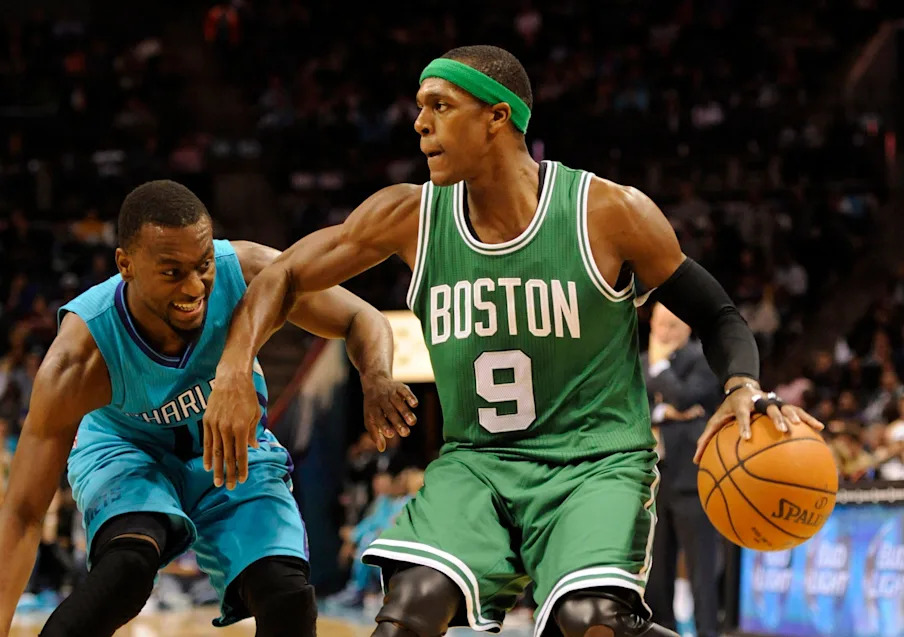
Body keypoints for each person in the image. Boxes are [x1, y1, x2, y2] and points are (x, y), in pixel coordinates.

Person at [205, 45, 823, 637]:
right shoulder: (409, 216)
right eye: (419, 107)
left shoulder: (607, 211)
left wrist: (743, 384)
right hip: (477, 464)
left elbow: (716, 313)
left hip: (593, 463)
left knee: (589, 624)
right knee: (409, 610)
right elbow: (281, 273)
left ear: (497, 116)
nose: (419, 124)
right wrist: (233, 370)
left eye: (439, 105)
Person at [0, 180, 417, 637]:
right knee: (125, 572)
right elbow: (22, 513)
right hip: (127, 450)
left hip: (235, 454)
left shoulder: (249, 271)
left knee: (288, 598)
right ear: (126, 265)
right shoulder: (79, 357)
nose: (194, 286)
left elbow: (362, 316)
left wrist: (375, 374)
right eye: (172, 272)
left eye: (202, 266)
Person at [640, 303, 722, 637]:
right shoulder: (639, 364)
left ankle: (707, 633)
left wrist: (661, 369)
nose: (663, 332)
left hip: (692, 481)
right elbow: (635, 413)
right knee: (656, 574)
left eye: (672, 325)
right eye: (659, 324)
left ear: (687, 329)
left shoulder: (700, 359)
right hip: (653, 482)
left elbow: (687, 398)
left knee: (701, 569)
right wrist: (664, 412)